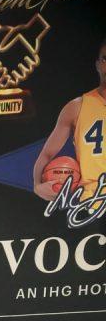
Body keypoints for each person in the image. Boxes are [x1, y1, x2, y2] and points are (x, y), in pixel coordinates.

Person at [33, 37, 106, 201]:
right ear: (97, 65)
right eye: (105, 59)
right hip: (90, 202)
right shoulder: (76, 107)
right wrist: (37, 185)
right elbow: (47, 154)